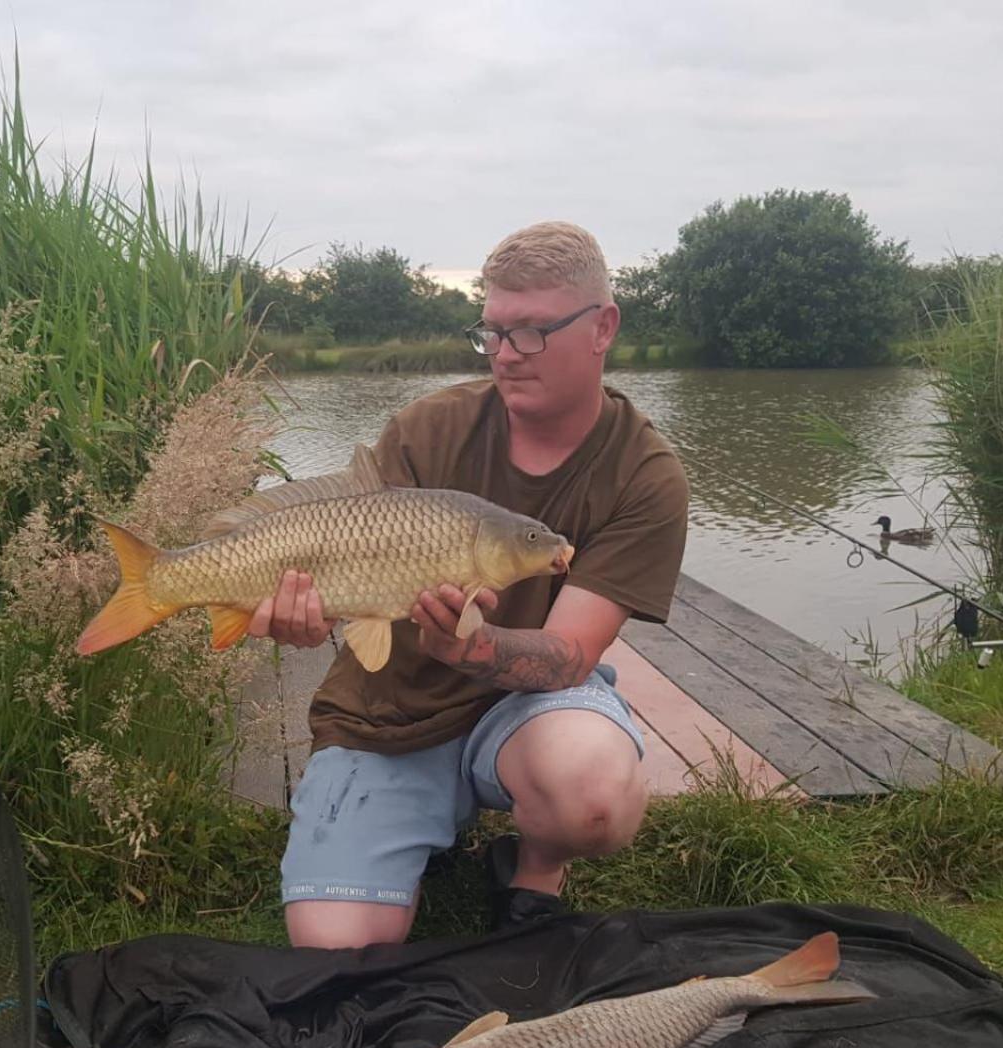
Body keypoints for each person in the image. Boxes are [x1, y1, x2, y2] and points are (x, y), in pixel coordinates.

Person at [247, 221, 690, 949]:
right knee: (335, 950)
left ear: (603, 326)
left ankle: (536, 864)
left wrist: (473, 651)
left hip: (528, 706)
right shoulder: (429, 429)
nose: (507, 357)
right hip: (391, 710)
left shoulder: (644, 473)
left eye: (532, 333)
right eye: (492, 334)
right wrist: (304, 617)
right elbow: (343, 569)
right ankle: (413, 827)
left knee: (594, 797)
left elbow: (569, 655)